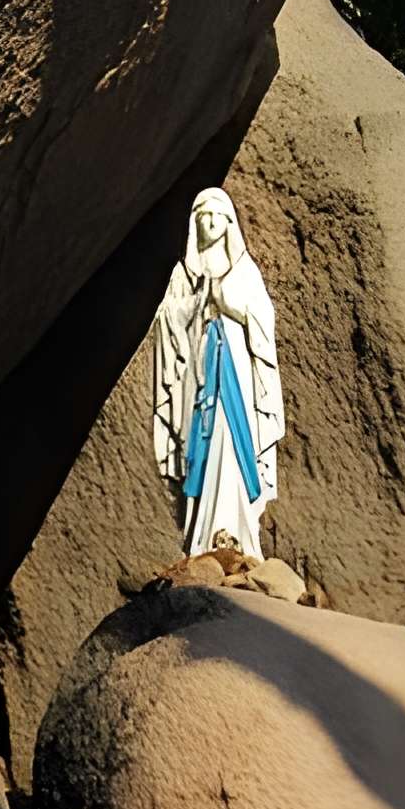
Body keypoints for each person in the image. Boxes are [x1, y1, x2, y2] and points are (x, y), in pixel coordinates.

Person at [150, 186, 284, 556]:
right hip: (201, 372)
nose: (210, 224)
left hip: (237, 372)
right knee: (203, 442)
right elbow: (169, 321)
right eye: (203, 217)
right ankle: (203, 531)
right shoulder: (186, 273)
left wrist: (230, 306)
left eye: (217, 217)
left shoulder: (244, 270)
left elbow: (262, 319)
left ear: (229, 223)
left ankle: (241, 531)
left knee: (233, 436)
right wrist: (192, 307)